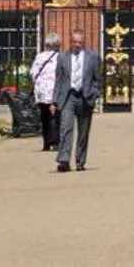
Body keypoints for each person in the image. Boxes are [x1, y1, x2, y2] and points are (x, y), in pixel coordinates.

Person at [54, 30, 98, 172]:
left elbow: (98, 79)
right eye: (74, 42)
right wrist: (54, 101)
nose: (77, 45)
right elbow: (58, 80)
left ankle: (80, 161)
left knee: (83, 132)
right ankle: (64, 160)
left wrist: (95, 94)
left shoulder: (93, 57)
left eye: (80, 42)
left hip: (85, 97)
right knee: (65, 128)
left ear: (84, 42)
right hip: (68, 96)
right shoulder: (62, 57)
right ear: (70, 41)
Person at [33, 33, 62, 151]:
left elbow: (33, 73)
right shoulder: (61, 57)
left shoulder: (40, 56)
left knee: (44, 117)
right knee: (55, 117)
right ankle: (55, 141)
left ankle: (46, 142)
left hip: (42, 92)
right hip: (55, 91)